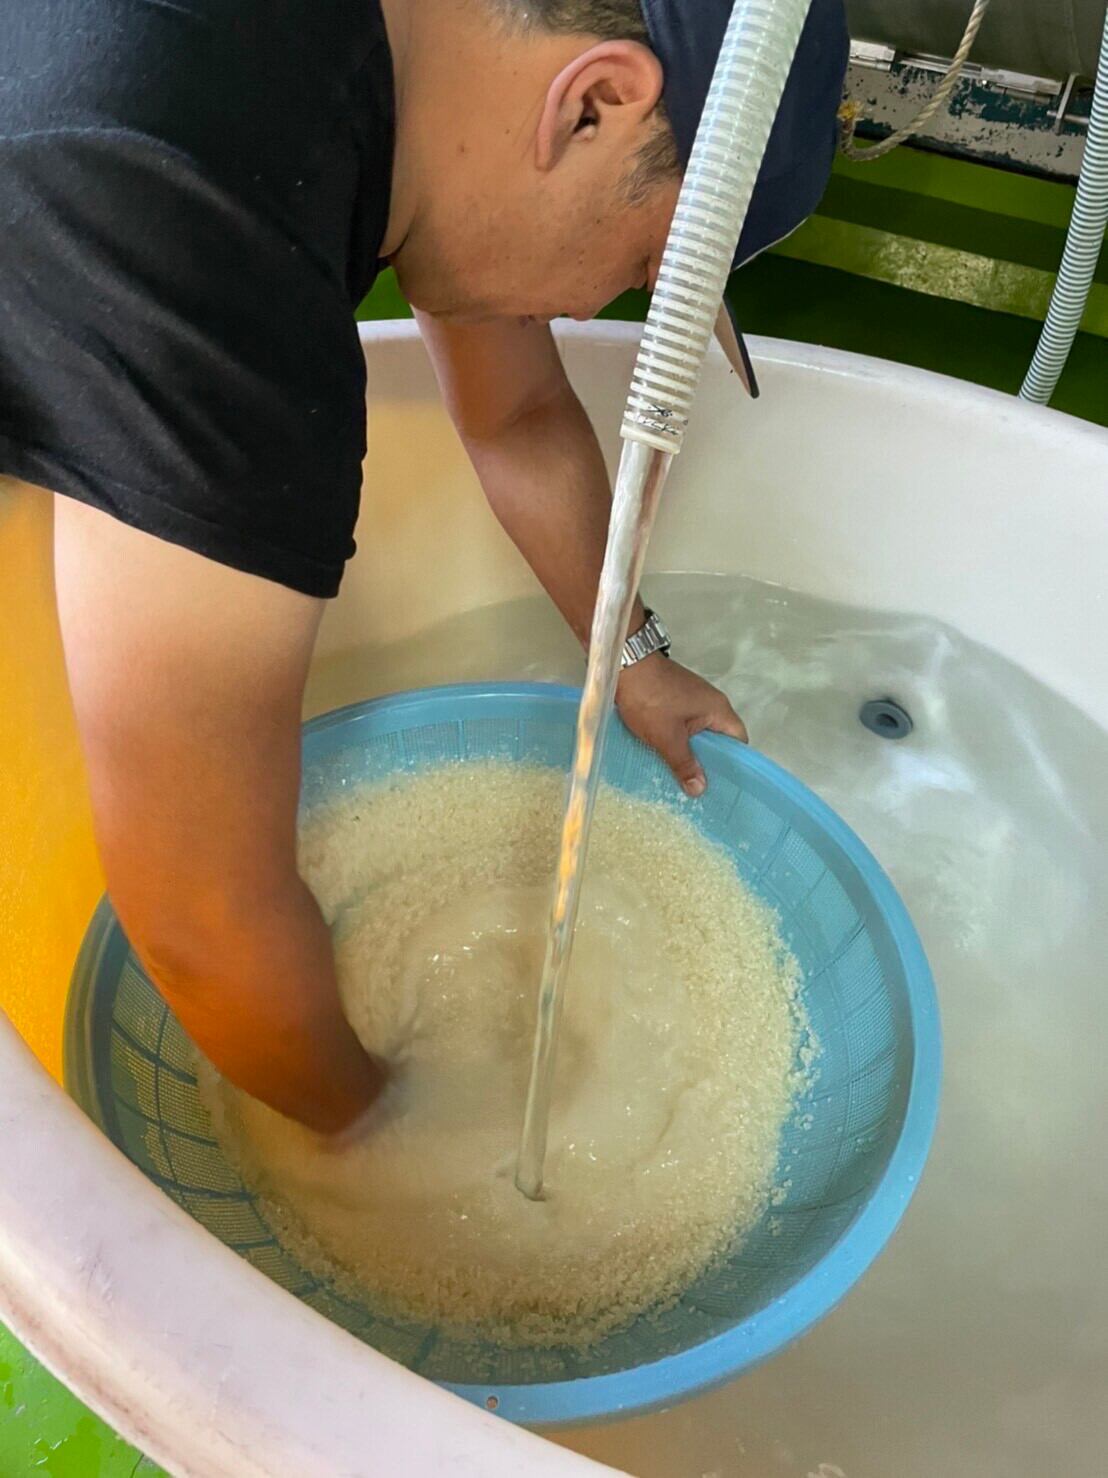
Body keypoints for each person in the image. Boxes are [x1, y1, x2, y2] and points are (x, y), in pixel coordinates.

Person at [0, 0, 848, 1136]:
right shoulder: (196, 224)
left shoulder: (421, 70)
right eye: (645, 259)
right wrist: (386, 1137)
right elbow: (200, 919)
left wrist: (636, 661)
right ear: (595, 101)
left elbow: (517, 415)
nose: (590, 306)